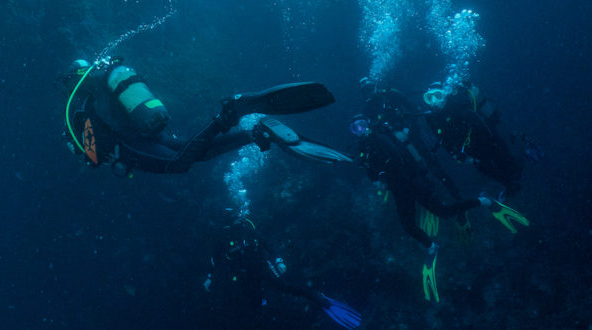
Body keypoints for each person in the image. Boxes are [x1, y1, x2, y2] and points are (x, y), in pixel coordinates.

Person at [350, 83, 528, 302]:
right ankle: (433, 242)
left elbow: (400, 150)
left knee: (441, 196)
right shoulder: (364, 139)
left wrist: (387, 170)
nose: (360, 130)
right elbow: (371, 168)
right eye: (355, 128)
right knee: (410, 222)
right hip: (400, 184)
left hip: (412, 170)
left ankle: (479, 201)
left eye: (362, 126)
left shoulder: (388, 112)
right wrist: (379, 179)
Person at [57, 57, 353, 175]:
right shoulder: (101, 88)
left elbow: (94, 156)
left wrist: (83, 153)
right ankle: (255, 132)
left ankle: (228, 115)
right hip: (147, 130)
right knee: (193, 153)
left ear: (72, 80)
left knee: (179, 164)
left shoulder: (82, 106)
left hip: (131, 141)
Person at [204, 217, 363, 329]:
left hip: (262, 269)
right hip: (245, 276)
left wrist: (278, 260)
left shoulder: (247, 231)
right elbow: (214, 260)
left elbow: (268, 245)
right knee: (255, 304)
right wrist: (210, 278)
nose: (232, 225)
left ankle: (319, 299)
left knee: (287, 288)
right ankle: (266, 310)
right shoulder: (222, 239)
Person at [421, 82, 529, 199]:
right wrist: (455, 153)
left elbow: (479, 124)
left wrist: (486, 143)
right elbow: (442, 139)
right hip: (470, 150)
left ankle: (523, 161)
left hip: (488, 140)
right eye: (429, 97)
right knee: (487, 169)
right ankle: (509, 185)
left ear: (445, 95)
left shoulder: (458, 106)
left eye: (438, 95)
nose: (434, 101)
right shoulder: (431, 118)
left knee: (508, 165)